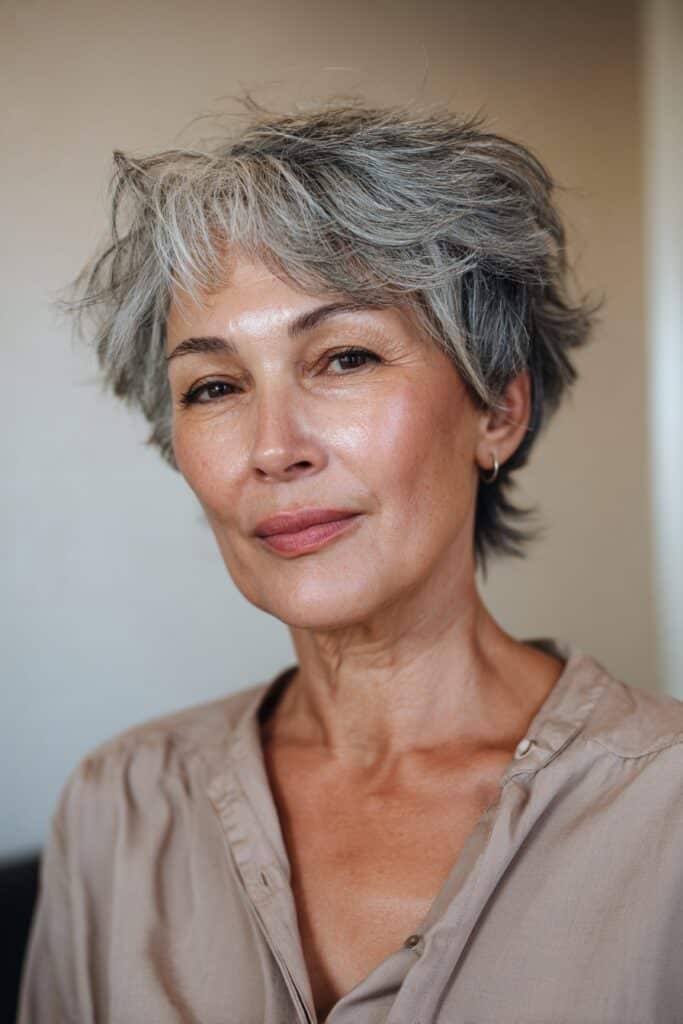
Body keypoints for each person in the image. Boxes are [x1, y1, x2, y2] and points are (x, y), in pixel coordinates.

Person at [17, 103, 683, 1024]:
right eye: (214, 386)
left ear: (498, 411)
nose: (273, 447)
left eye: (343, 359)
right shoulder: (118, 808)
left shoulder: (665, 810)